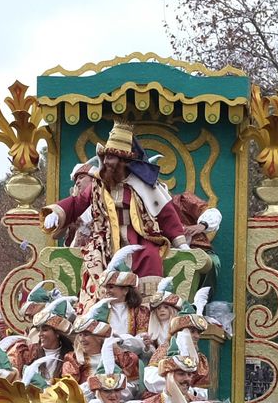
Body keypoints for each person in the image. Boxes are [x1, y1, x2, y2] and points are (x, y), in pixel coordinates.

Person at [41, 121, 193, 290]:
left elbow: (166, 213)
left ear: (124, 161)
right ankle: (99, 299)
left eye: (110, 158)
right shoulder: (98, 183)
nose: (105, 162)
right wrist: (57, 213)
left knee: (150, 255)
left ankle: (146, 302)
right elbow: (77, 202)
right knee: (93, 260)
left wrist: (181, 243)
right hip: (103, 239)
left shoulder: (143, 184)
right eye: (105, 157)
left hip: (138, 237)